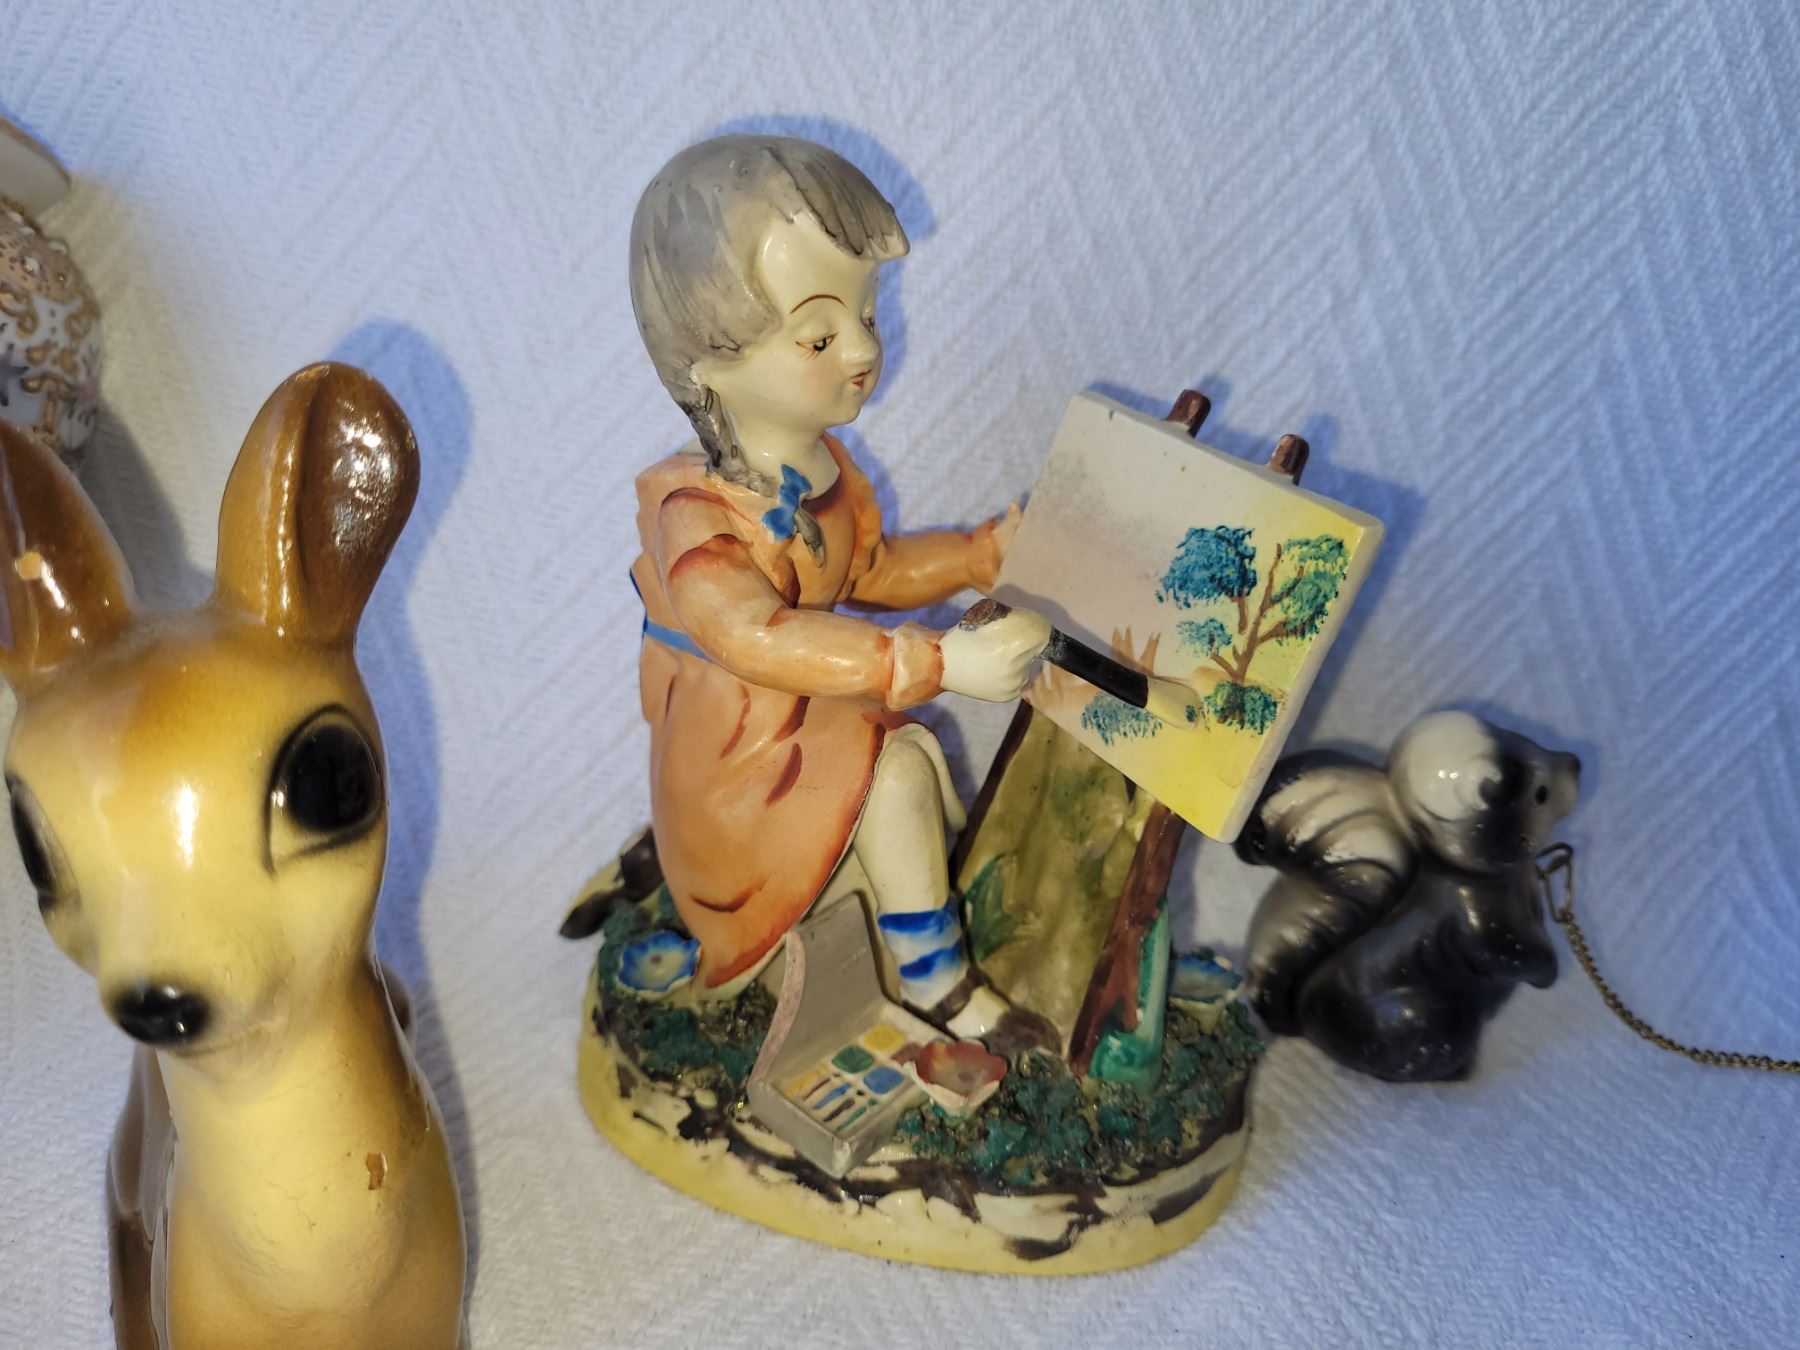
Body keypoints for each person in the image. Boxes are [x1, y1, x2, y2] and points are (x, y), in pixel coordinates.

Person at [628, 135, 1050, 1041]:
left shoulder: (825, 466)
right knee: (896, 769)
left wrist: (976, 556)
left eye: (866, 312)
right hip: (736, 760)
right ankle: (931, 975)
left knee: (895, 761)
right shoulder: (697, 519)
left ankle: (901, 909)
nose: (862, 346)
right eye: (819, 336)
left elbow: (874, 571)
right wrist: (938, 663)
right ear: (709, 367)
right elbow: (755, 635)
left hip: (797, 719)